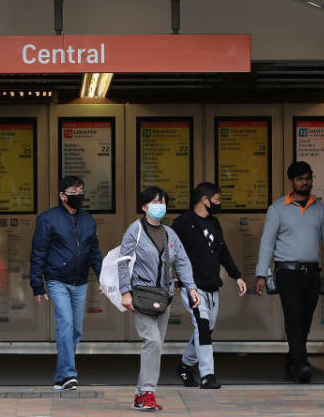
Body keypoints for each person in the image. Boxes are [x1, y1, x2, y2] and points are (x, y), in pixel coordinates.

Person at [119, 186, 200, 411]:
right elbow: (123, 262)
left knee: (156, 345)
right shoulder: (134, 231)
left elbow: (181, 261)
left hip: (164, 297)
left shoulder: (169, 233)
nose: (159, 206)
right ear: (144, 206)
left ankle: (139, 395)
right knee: (152, 342)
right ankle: (147, 392)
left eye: (162, 202)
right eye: (154, 202)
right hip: (141, 296)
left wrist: (191, 288)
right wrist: (126, 292)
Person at [254, 161, 324, 383]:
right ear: (291, 181)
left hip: (312, 273)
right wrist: (261, 273)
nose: (305, 182)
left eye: (308, 178)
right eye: (300, 179)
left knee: (305, 320)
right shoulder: (278, 208)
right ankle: (302, 363)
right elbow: (267, 242)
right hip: (287, 272)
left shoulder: (319, 208)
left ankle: (293, 358)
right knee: (294, 317)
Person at [29, 176, 103, 390]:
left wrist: (103, 278)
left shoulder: (89, 219)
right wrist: (37, 285)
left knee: (76, 330)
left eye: (81, 190)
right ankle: (70, 375)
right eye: (74, 191)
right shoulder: (48, 219)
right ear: (62, 195)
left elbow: (94, 253)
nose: (79, 194)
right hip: (57, 280)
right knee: (66, 324)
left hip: (80, 282)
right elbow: (38, 253)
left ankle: (62, 375)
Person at [171, 182, 248, 389]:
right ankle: (208, 375)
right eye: (217, 199)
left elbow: (223, 252)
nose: (218, 203)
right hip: (193, 287)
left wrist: (237, 276)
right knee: (203, 326)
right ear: (205, 200)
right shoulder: (183, 222)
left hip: (212, 285)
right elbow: (170, 252)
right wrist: (174, 277)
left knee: (206, 329)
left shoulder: (214, 223)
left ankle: (185, 365)